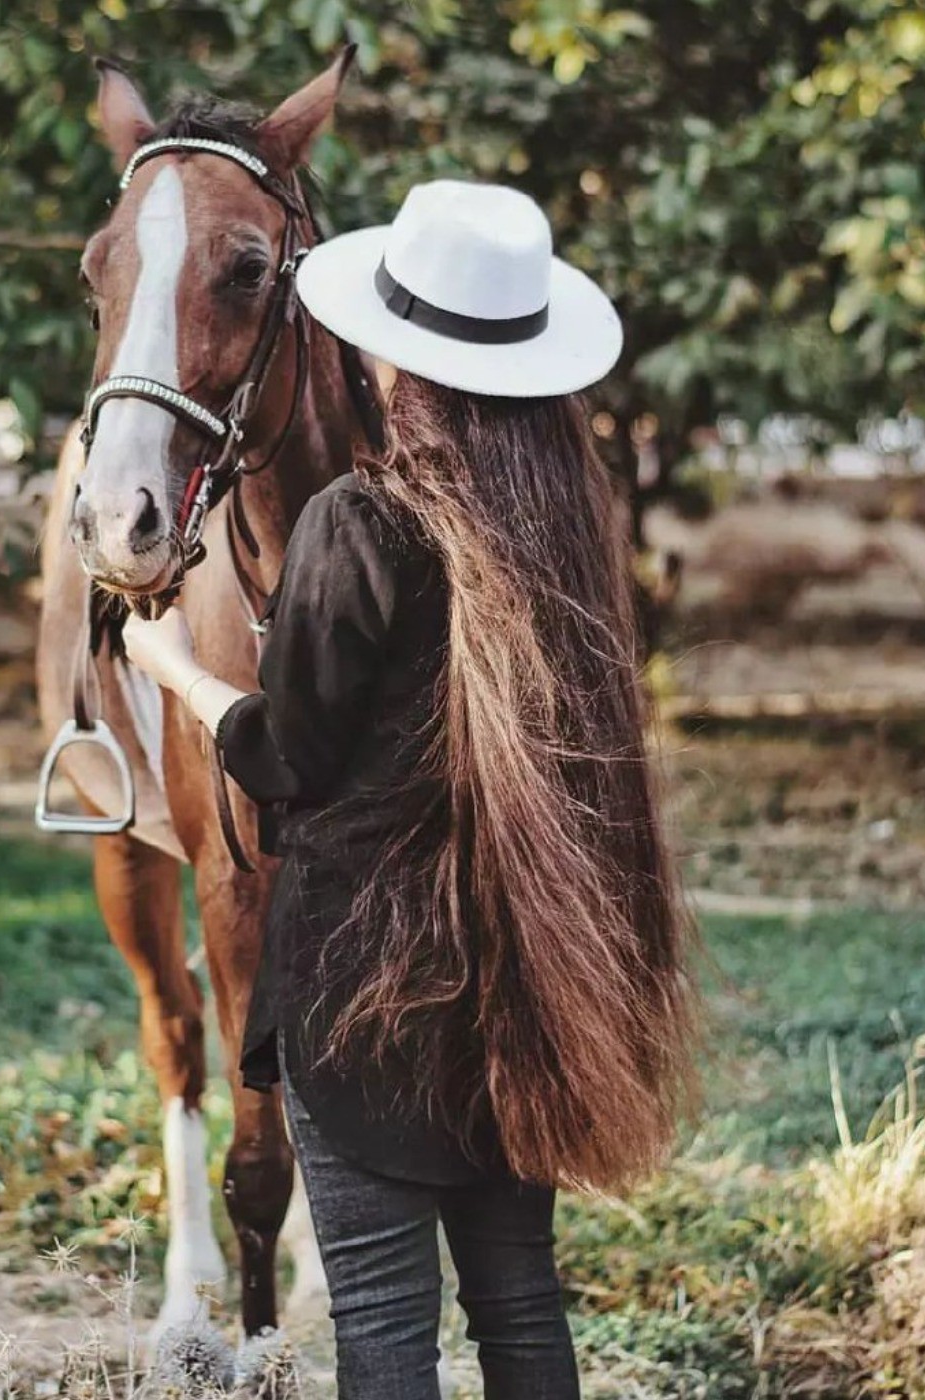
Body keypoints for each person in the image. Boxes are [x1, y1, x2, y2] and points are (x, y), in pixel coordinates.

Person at [123, 179, 697, 1400]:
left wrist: (176, 670)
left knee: (385, 1326)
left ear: (389, 363)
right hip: (523, 988)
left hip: (364, 999)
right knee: (520, 1309)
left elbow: (288, 759)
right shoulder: (563, 537)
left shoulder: (357, 527)